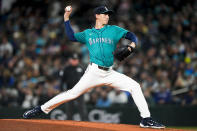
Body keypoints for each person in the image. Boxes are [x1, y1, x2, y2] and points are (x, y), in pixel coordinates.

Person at [23, 5, 165, 129]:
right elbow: (71, 37)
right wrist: (66, 18)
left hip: (110, 73)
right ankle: (40, 109)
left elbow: (132, 35)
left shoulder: (114, 30)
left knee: (135, 86)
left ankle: (146, 119)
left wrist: (132, 46)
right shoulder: (87, 33)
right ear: (97, 16)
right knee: (72, 94)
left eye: (108, 14)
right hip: (93, 72)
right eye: (105, 14)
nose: (107, 17)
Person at [59, 53, 87, 121]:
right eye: (73, 59)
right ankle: (69, 124)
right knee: (69, 108)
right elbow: (62, 81)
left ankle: (85, 123)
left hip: (80, 91)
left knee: (82, 108)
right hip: (70, 90)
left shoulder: (81, 68)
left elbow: (86, 79)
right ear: (70, 60)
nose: (75, 61)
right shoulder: (66, 69)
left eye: (76, 59)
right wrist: (62, 90)